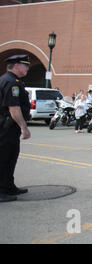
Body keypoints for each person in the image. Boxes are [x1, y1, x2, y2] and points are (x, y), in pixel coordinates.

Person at [0, 55, 32, 202]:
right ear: (16, 66)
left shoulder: (11, 80)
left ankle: (8, 186)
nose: (27, 68)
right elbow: (14, 108)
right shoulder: (11, 82)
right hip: (6, 127)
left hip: (9, 127)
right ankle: (1, 191)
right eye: (25, 65)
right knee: (4, 157)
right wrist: (23, 127)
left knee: (11, 156)